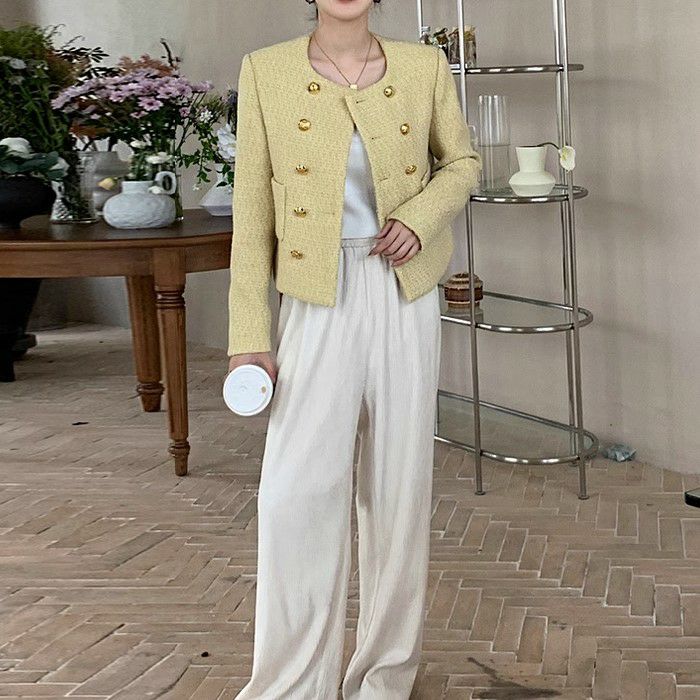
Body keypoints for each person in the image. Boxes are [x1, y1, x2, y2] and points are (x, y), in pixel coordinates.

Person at [227, 0, 482, 697]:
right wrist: (249, 337)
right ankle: (291, 684)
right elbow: (251, 210)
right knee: (295, 492)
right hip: (315, 291)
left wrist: (420, 217)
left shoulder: (424, 66)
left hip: (404, 287)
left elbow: (462, 162)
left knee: (398, 489)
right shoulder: (266, 71)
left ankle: (383, 677)